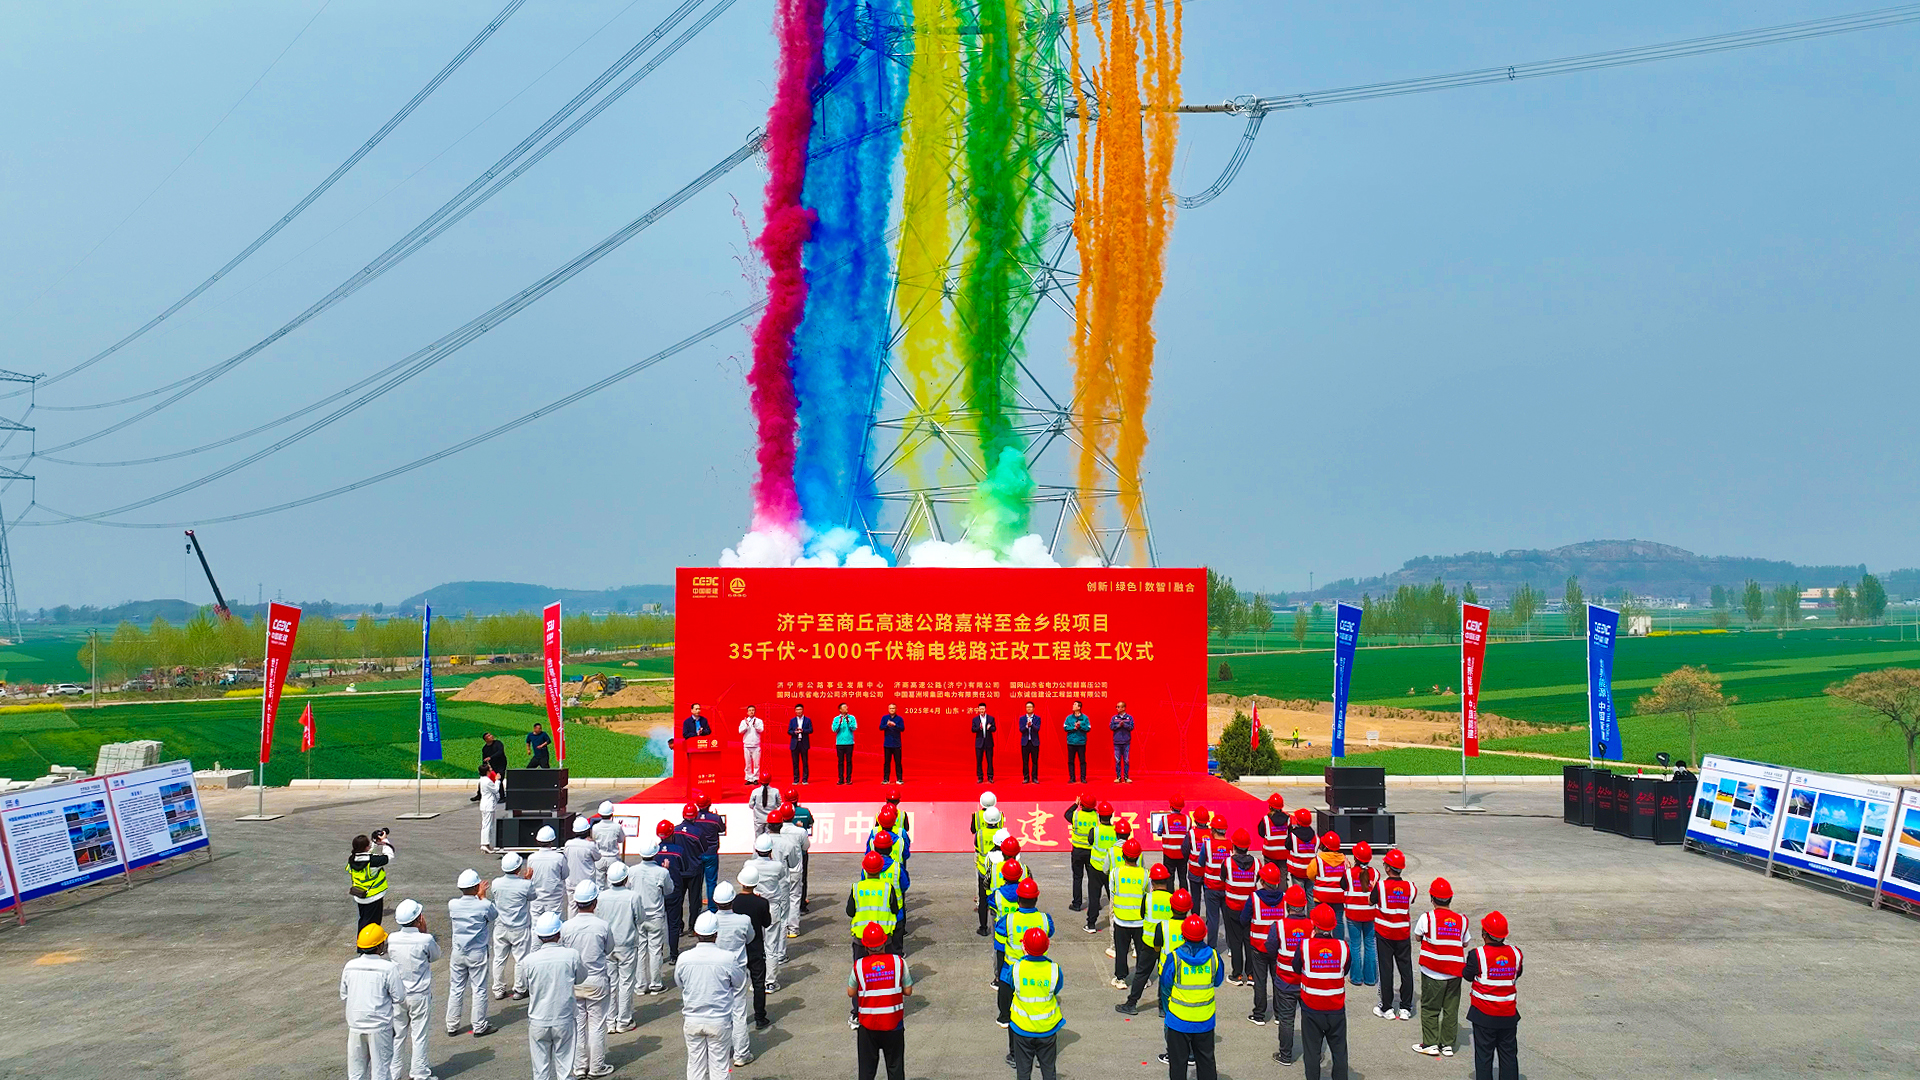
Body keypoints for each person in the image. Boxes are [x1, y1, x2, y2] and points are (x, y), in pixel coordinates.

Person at [1158, 912, 1225, 1080]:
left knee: (1178, 1065)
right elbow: (1217, 981)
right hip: (1204, 1020)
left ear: (1183, 935)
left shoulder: (1174, 958)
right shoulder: (1214, 957)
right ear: (1204, 934)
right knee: (1206, 1062)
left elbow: (1165, 984)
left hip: (1178, 1020)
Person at [679, 911, 742, 1080]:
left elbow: (680, 983)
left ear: (696, 933)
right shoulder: (727, 958)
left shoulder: (684, 958)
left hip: (692, 1019)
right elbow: (739, 982)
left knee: (695, 1066)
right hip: (718, 1020)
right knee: (720, 1067)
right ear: (716, 934)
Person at [561, 880, 615, 1078]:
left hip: (575, 982)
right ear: (595, 902)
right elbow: (609, 949)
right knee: (597, 1025)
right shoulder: (602, 926)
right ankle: (596, 1066)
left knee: (578, 1025)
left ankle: (579, 1066)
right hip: (596, 980)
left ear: (576, 903)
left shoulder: (566, 927)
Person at [523, 911, 586, 1080]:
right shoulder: (571, 955)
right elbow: (581, 978)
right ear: (559, 933)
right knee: (565, 1070)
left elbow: (523, 984)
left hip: (538, 1019)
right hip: (563, 1017)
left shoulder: (529, 960)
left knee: (540, 1072)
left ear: (539, 936)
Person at [1412, 876, 1470, 1058]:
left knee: (1430, 1008)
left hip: (1433, 972)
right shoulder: (1461, 920)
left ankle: (1430, 1044)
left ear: (1432, 898)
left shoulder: (1427, 918)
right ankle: (1447, 1045)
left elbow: (1417, 937)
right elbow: (1465, 942)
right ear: (1450, 898)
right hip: (1454, 973)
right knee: (1451, 1009)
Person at [1295, 904, 1352, 1080]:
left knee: (1312, 1052)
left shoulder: (1305, 946)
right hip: (1336, 1008)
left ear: (1314, 924)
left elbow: (1296, 967)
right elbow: (1345, 969)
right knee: (1339, 1051)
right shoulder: (1343, 947)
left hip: (1312, 1008)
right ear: (1333, 925)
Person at [1464, 910, 1522, 1080]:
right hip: (1508, 1014)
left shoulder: (1477, 955)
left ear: (1484, 934)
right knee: (1508, 1055)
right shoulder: (1516, 953)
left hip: (1484, 1015)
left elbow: (1467, 975)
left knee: (1484, 1057)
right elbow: (1517, 973)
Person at [851, 921, 913, 1080]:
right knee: (895, 1068)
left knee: (866, 1071)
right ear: (885, 943)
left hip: (868, 1025)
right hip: (893, 1024)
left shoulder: (859, 965)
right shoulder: (898, 962)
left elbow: (851, 992)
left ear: (865, 946)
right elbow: (908, 991)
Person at [385, 899, 440, 1080]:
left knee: (397, 1036)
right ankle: (419, 1073)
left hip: (398, 995)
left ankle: (393, 1074)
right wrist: (425, 932)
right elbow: (435, 955)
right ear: (419, 919)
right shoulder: (425, 939)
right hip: (419, 995)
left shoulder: (392, 938)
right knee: (419, 1035)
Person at [342, 923, 405, 1080]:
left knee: (356, 1073)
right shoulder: (388, 968)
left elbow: (344, 994)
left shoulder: (350, 966)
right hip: (379, 1027)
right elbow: (399, 997)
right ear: (379, 946)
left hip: (355, 1026)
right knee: (381, 1072)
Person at [1118, 879, 1185, 1015]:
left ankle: (1131, 1003)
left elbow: (1142, 914)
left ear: (1152, 882)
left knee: (1142, 973)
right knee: (1164, 975)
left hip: (1149, 943)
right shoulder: (1172, 898)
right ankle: (1163, 1007)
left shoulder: (1148, 898)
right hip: (1168, 945)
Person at [997, 877, 1053, 1036]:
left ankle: (1004, 1017)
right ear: (1036, 899)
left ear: (1018, 899)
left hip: (1012, 967)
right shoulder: (1044, 919)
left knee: (1004, 988)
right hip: (1036, 968)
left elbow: (999, 936)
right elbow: (1050, 932)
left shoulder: (1009, 919)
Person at [1265, 884, 1314, 1064]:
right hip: (1307, 982)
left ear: (1287, 905)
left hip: (1285, 981)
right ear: (1304, 905)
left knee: (1286, 1020)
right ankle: (1313, 1054)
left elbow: (1270, 948)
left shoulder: (1279, 926)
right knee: (1309, 1020)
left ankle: (1285, 1055)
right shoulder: (1312, 926)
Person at [445, 868, 497, 1037]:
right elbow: (493, 915)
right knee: (479, 989)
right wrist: (482, 897)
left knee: (456, 988)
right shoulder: (484, 905)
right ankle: (479, 1025)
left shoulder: (453, 904)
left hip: (458, 952)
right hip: (477, 953)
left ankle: (452, 1025)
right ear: (476, 887)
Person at [710, 881, 757, 1068]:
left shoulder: (710, 920)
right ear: (732, 901)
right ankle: (741, 1053)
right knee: (739, 1012)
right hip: (737, 969)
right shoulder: (743, 920)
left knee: (718, 1012)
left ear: (715, 901)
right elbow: (750, 938)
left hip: (715, 971)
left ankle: (719, 1051)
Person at [1008, 928, 1064, 1080]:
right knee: (1048, 1070)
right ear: (1047, 946)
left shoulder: (1016, 969)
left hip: (1022, 1029)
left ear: (1024, 947)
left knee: (1023, 1072)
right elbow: (1056, 989)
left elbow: (1011, 984)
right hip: (1047, 1029)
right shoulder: (1054, 969)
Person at [1369, 848, 1417, 1021]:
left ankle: (1387, 1007)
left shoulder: (1381, 886)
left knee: (1386, 970)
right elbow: (1411, 899)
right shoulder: (1410, 887)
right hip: (1402, 934)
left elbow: (1371, 901)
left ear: (1388, 868)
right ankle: (1405, 1007)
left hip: (1385, 934)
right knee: (1406, 970)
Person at [600, 862, 643, 1034]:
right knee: (626, 982)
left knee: (611, 983)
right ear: (625, 879)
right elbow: (640, 918)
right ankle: (623, 1020)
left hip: (608, 944)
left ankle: (610, 1021)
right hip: (627, 944)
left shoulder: (601, 896)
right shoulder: (633, 896)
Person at [733, 865, 775, 1033]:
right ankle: (760, 1017)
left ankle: (737, 1017)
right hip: (756, 947)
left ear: (741, 882)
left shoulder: (733, 902)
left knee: (736, 986)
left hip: (737, 948)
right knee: (758, 983)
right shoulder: (761, 902)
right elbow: (767, 923)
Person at [746, 834, 791, 988]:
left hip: (754, 906)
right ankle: (770, 982)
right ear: (770, 850)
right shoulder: (777, 866)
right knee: (771, 946)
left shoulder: (749, 864)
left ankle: (756, 981)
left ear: (756, 849)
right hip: (772, 906)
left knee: (754, 946)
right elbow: (782, 877)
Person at [490, 853, 535, 1001]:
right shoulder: (525, 884)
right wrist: (528, 879)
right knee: (520, 959)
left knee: (499, 959)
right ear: (518, 868)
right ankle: (520, 989)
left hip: (501, 926)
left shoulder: (496, 883)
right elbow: (532, 896)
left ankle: (498, 989)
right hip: (520, 927)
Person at [1245, 862, 1286, 1025]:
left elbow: (1244, 918)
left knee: (1260, 981)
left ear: (1262, 881)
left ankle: (1259, 1015)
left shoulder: (1254, 898)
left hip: (1258, 946)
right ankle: (1279, 1014)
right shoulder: (1284, 898)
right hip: (1278, 947)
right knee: (1278, 981)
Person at [631, 841, 673, 996]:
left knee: (640, 950)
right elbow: (669, 890)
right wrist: (666, 870)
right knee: (655, 950)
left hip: (638, 915)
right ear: (655, 854)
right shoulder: (662, 872)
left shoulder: (632, 871)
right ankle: (655, 984)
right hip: (655, 915)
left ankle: (641, 985)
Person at [650, 820, 694, 957]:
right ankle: (673, 955)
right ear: (672, 834)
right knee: (673, 924)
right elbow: (684, 868)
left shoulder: (654, 852)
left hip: (658, 891)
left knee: (658, 923)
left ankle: (658, 952)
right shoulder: (679, 851)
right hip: (674, 890)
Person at [1109, 838, 1149, 989]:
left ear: (1123, 855)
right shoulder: (1145, 874)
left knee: (1121, 951)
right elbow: (1147, 894)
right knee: (1141, 951)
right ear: (1138, 856)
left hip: (1121, 920)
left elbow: (1112, 892)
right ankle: (1142, 979)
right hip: (1140, 921)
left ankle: (1120, 979)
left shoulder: (1115, 873)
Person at [847, 852, 903, 959]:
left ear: (864, 869)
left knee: (861, 967)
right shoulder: (887, 887)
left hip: (861, 938)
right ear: (881, 868)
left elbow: (850, 912)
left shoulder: (857, 888)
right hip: (884, 938)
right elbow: (895, 910)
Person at [1221, 828, 1259, 983]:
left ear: (1233, 846)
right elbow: (1257, 880)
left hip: (1233, 908)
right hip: (1250, 909)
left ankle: (1237, 974)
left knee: (1235, 942)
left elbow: (1223, 878)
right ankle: (1251, 974)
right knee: (1249, 941)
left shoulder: (1227, 863)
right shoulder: (1256, 863)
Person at [1342, 843, 1378, 987]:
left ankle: (1356, 978)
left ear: (1355, 858)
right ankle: (1370, 978)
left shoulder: (1348, 873)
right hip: (1370, 914)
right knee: (1370, 945)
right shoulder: (1375, 873)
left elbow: (1343, 885)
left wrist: (1348, 868)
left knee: (1355, 946)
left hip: (1353, 914)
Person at [670, 804, 713, 925]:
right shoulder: (698, 832)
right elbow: (704, 848)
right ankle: (693, 926)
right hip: (694, 869)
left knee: (678, 899)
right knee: (694, 900)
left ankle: (678, 926)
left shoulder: (675, 830)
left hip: (679, 870)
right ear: (695, 816)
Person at [772, 806, 808, 940]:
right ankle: (792, 928)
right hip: (795, 869)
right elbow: (806, 847)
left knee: (778, 899)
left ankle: (778, 927)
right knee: (794, 899)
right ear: (793, 815)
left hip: (779, 870)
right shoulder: (800, 831)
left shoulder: (775, 832)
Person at [349, 831, 395, 931]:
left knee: (364, 921)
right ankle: (369, 940)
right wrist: (384, 841)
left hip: (360, 895)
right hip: (373, 897)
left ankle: (362, 939)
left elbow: (365, 855)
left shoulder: (352, 859)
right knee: (373, 924)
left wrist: (374, 844)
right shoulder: (373, 861)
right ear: (366, 847)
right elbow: (389, 856)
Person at [1084, 802, 1119, 932]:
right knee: (1113, 897)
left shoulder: (1095, 831)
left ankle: (1091, 924)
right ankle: (1117, 922)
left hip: (1096, 868)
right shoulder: (1116, 832)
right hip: (1112, 869)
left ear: (1099, 816)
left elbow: (1090, 841)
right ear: (1111, 815)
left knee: (1094, 897)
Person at [1307, 832, 1349, 937]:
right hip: (1339, 896)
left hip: (1321, 896)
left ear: (1325, 846)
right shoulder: (1344, 860)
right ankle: (1339, 942)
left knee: (1321, 920)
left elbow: (1310, 874)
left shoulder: (1318, 860)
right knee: (1339, 921)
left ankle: (1322, 940)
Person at [688, 795, 725, 912]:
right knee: (711, 882)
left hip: (697, 854)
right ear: (709, 804)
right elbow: (722, 829)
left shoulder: (693, 818)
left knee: (697, 883)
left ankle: (696, 907)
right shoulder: (715, 818)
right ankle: (712, 908)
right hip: (711, 853)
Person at [973, 803, 1005, 935]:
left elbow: (977, 847)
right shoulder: (1002, 833)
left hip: (983, 870)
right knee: (1001, 897)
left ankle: (983, 928)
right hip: (1000, 870)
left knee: (983, 899)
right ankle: (1002, 926)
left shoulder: (980, 833)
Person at [527, 825, 567, 924]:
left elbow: (530, 875)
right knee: (554, 924)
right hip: (554, 898)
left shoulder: (532, 858)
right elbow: (565, 875)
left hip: (537, 898)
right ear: (552, 841)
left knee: (535, 925)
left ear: (537, 841)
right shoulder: (559, 857)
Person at [564, 816, 602, 918]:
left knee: (572, 906)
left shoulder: (568, 844)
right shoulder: (590, 845)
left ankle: (571, 924)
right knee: (590, 906)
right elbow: (598, 857)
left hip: (571, 880)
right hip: (586, 881)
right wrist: (594, 843)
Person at [1066, 793, 1097, 912]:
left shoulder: (1076, 815)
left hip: (1078, 852)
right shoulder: (1096, 817)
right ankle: (1095, 903)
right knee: (1093, 879)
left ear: (1081, 804)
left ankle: (1077, 904)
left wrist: (1075, 804)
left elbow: (1066, 814)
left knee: (1077, 878)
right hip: (1091, 851)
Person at [1202, 817, 1230, 948]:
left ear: (1212, 830)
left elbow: (1201, 862)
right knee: (1228, 919)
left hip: (1211, 887)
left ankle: (1212, 947)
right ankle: (1230, 947)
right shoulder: (1231, 845)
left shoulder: (1207, 845)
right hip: (1227, 887)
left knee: (1213, 919)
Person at [1155, 794, 1191, 890]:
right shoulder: (1188, 819)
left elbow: (1159, 832)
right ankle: (1184, 896)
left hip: (1169, 854)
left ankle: (1170, 896)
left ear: (1171, 806)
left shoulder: (1165, 819)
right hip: (1183, 854)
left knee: (1169, 878)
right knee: (1183, 877)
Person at [1187, 809, 1215, 929]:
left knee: (1195, 897)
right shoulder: (1213, 833)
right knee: (1208, 899)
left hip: (1194, 871)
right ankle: (1209, 922)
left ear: (1195, 820)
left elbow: (1185, 849)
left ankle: (1195, 921)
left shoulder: (1191, 833)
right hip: (1208, 872)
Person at [591, 801, 625, 885]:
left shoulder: (595, 827)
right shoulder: (617, 827)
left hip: (600, 857)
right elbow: (621, 840)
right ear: (611, 814)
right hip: (613, 857)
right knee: (612, 883)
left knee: (599, 884)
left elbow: (594, 840)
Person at [1285, 808, 1319, 891]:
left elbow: (1287, 845)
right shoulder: (1315, 837)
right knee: (1310, 894)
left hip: (1297, 870)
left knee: (1298, 893)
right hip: (1310, 870)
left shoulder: (1293, 835)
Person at [1062, 699, 1091, 784]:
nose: (1073, 706)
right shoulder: (1069, 718)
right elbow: (1065, 727)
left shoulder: (1085, 718)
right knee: (1071, 761)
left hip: (1081, 742)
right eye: (1073, 704)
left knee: (1082, 761)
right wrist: (1074, 728)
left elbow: (1088, 728)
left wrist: (1080, 726)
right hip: (1071, 742)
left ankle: (1083, 778)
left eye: (1075, 705)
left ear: (1079, 707)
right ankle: (1072, 778)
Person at [1256, 794, 1289, 867]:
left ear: (1270, 806)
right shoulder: (1288, 818)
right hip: (1284, 852)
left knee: (1269, 871)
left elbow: (1261, 833)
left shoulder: (1266, 819)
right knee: (1283, 871)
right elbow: (1290, 834)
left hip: (1269, 852)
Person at [475, 767, 503, 853]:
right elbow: (495, 789)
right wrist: (497, 780)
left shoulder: (482, 780)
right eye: (490, 769)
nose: (491, 770)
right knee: (488, 825)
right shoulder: (487, 781)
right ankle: (485, 844)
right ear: (487, 771)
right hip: (488, 806)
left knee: (485, 825)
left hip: (485, 805)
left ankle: (485, 844)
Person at [787, 703, 814, 784]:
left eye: (800, 709)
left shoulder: (807, 720)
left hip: (804, 743)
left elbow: (811, 730)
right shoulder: (792, 720)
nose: (798, 711)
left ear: (803, 710)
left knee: (805, 762)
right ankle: (796, 779)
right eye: (797, 710)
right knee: (795, 763)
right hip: (795, 743)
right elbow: (789, 731)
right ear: (795, 711)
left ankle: (805, 779)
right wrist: (794, 732)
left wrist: (803, 731)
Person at [1017, 701, 1043, 783]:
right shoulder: (1022, 718)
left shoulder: (1037, 718)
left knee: (1035, 761)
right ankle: (1026, 778)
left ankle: (1034, 778)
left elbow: (1037, 729)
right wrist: (1026, 726)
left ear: (1033, 708)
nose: (1029, 708)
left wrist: (1031, 725)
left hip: (1034, 742)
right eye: (1027, 707)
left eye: (1030, 707)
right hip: (1025, 743)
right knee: (1025, 761)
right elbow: (1021, 729)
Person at [879, 703, 906, 783]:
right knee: (887, 762)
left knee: (898, 762)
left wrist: (895, 725)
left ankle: (899, 779)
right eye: (890, 708)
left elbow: (902, 729)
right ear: (888, 709)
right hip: (887, 744)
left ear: (896, 709)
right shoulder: (884, 718)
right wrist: (887, 725)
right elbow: (881, 727)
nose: (892, 710)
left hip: (897, 744)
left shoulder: (899, 719)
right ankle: (886, 779)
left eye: (893, 708)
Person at [833, 702, 859, 784]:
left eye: (847, 707)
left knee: (849, 761)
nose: (846, 708)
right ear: (840, 710)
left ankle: (848, 779)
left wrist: (849, 722)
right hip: (840, 743)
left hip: (849, 743)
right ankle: (840, 779)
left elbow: (854, 728)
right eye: (844, 707)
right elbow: (834, 729)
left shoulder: (851, 718)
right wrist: (839, 723)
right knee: (840, 762)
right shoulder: (836, 719)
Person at [971, 702, 997, 782]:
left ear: (985, 709)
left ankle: (990, 777)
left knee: (989, 760)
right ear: (978, 709)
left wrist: (990, 728)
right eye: (980, 709)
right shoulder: (975, 719)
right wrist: (979, 728)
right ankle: (980, 777)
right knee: (979, 761)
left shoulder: (991, 718)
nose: (982, 710)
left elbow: (994, 729)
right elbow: (973, 729)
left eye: (983, 709)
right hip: (979, 743)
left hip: (988, 742)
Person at [1110, 701, 1135, 782]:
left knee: (1126, 760)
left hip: (1126, 742)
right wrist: (1118, 725)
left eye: (1118, 707)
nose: (1117, 708)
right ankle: (1118, 777)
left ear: (1123, 708)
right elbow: (1111, 727)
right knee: (1117, 760)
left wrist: (1124, 725)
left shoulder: (1129, 717)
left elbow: (1131, 727)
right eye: (1116, 707)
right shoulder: (1114, 718)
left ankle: (1126, 777)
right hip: (1117, 742)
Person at [739, 705, 764, 782]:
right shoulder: (743, 721)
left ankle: (756, 778)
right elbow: (740, 731)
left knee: (756, 764)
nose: (751, 712)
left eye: (753, 710)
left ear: (755, 711)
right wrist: (746, 726)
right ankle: (749, 779)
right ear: (747, 712)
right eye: (750, 710)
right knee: (748, 764)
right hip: (747, 745)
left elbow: (761, 730)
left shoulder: (759, 721)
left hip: (756, 745)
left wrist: (755, 725)